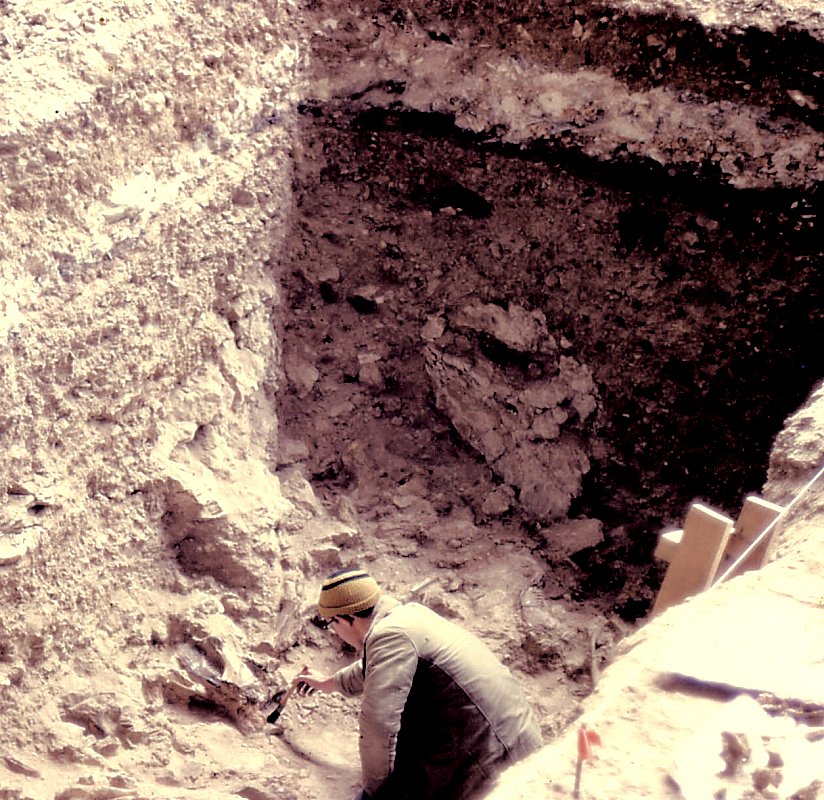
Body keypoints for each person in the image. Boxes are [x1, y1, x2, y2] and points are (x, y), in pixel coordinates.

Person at [294, 566, 542, 800]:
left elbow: (378, 724)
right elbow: (380, 668)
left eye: (330, 624)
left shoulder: (389, 635)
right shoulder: (407, 616)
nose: (333, 631)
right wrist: (330, 683)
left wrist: (377, 792)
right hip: (515, 736)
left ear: (346, 618)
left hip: (492, 756)